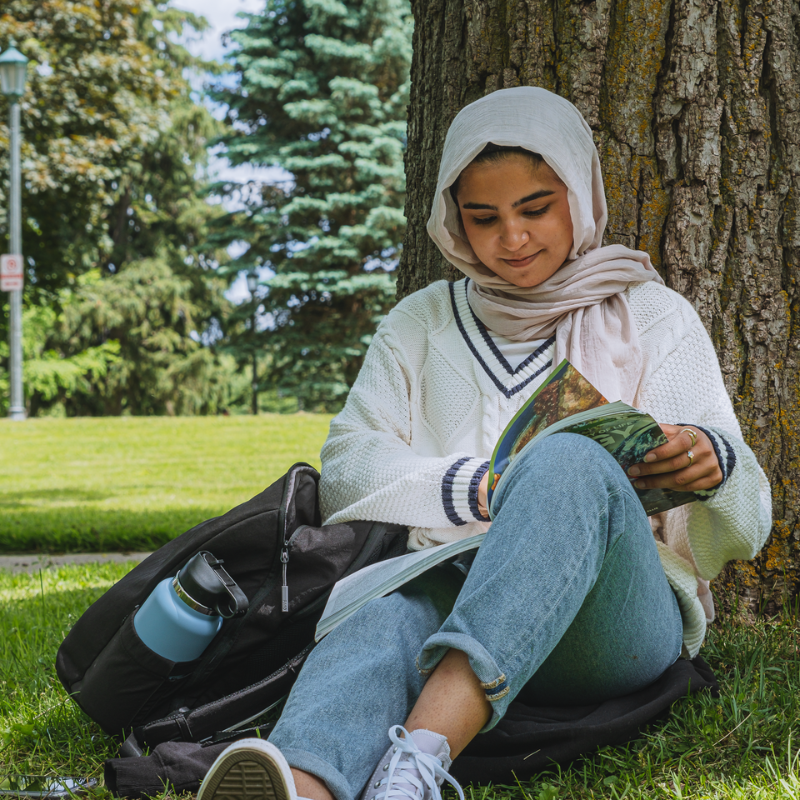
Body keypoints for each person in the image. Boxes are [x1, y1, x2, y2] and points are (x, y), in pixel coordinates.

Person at [196, 87, 771, 800]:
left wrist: (713, 464)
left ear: (580, 196)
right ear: (452, 221)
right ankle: (303, 784)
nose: (513, 238)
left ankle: (419, 764)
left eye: (536, 208)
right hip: (446, 592)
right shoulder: (421, 324)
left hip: (612, 627)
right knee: (384, 610)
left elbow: (749, 521)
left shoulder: (651, 316)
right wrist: (482, 488)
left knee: (567, 459)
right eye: (484, 217)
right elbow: (347, 465)